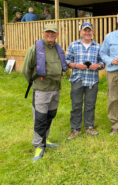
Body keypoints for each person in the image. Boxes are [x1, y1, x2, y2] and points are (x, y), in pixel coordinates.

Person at [22, 24, 68, 162]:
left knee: (50, 115)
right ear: (43, 33)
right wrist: (35, 83)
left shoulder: (58, 49)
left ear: (57, 35)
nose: (50, 35)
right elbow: (26, 70)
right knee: (40, 118)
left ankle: (44, 139)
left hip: (55, 89)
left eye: (53, 33)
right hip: (41, 90)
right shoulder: (35, 49)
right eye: (48, 32)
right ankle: (38, 146)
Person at [66, 22, 105, 140]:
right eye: (85, 30)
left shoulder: (98, 47)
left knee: (90, 105)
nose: (87, 32)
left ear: (92, 32)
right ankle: (75, 129)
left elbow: (103, 63)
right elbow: (67, 61)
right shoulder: (73, 45)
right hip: (77, 79)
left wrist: (97, 66)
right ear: (81, 32)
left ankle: (89, 127)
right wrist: (77, 65)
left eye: (89, 30)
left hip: (92, 80)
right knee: (76, 105)